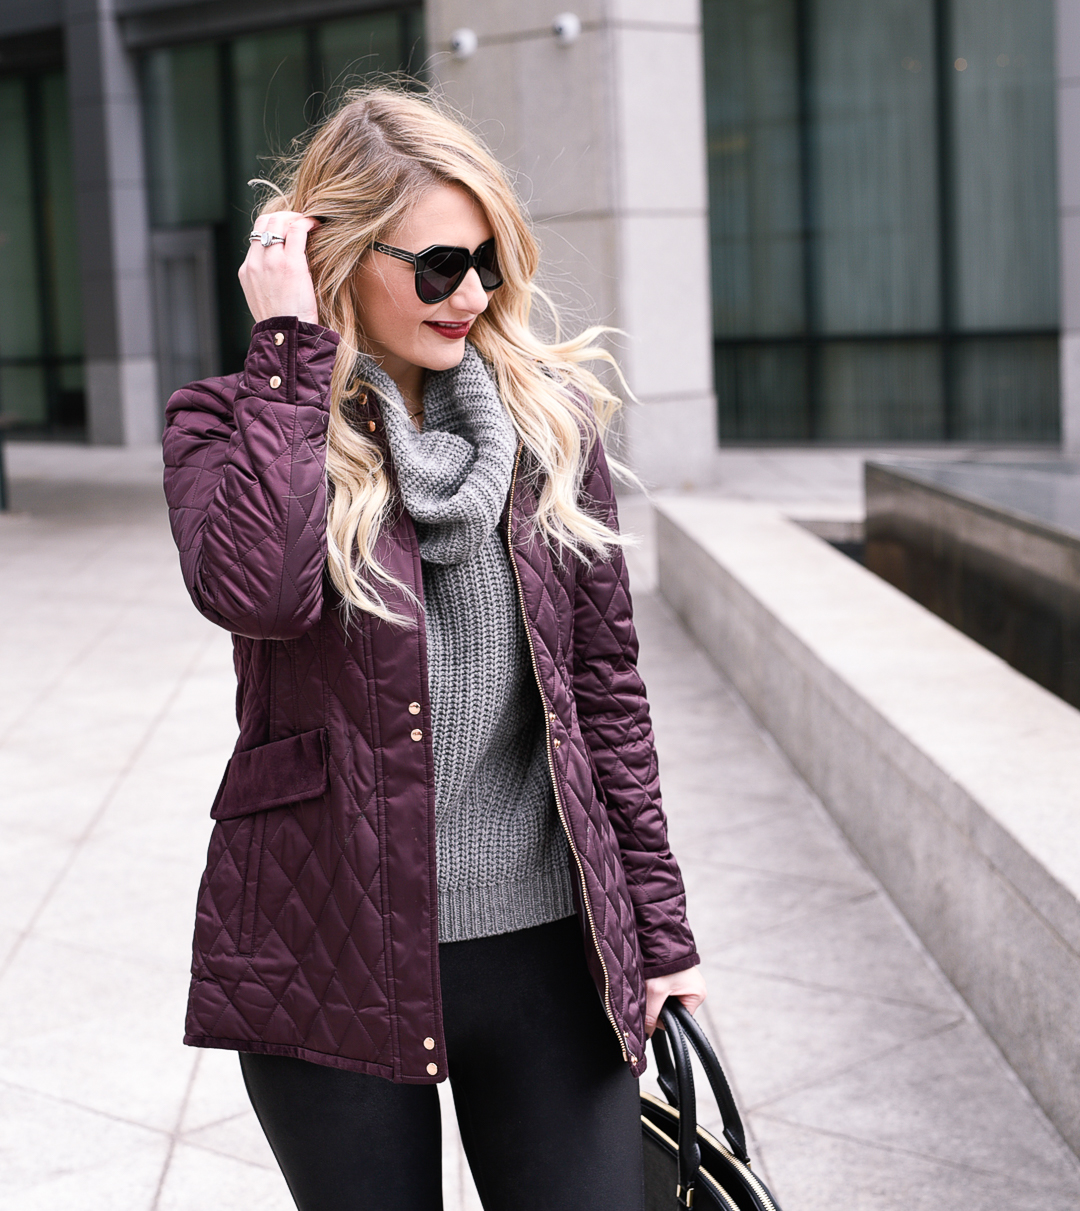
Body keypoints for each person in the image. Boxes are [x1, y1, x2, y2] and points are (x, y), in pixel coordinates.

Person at [162, 86, 704, 1211]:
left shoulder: (551, 426)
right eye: (439, 265)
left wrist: (658, 928)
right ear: (344, 256)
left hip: (550, 944)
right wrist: (288, 354)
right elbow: (255, 593)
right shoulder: (232, 420)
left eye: (490, 263)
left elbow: (606, 693)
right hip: (330, 949)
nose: (474, 295)